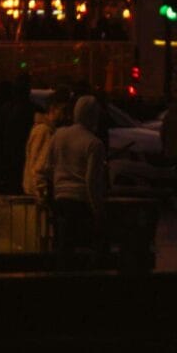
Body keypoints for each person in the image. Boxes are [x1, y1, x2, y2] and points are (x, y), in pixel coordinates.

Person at [44, 95, 108, 268]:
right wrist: (98, 211)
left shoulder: (59, 135)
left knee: (63, 248)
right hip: (81, 202)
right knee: (83, 252)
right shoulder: (94, 144)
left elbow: (48, 167)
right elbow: (92, 182)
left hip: (60, 199)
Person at [23, 91, 70, 201]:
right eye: (63, 110)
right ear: (53, 109)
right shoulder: (45, 131)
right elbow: (40, 169)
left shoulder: (44, 130)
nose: (67, 116)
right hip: (38, 198)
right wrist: (43, 195)